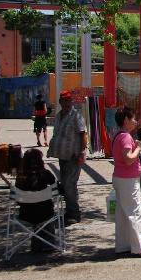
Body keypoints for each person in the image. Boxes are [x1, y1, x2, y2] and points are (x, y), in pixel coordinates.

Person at [111, 108, 141, 258]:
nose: (135, 122)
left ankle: (124, 245)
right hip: (127, 179)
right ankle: (140, 247)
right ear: (126, 120)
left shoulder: (119, 136)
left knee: (123, 214)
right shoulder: (125, 137)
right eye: (133, 119)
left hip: (121, 178)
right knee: (134, 213)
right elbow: (129, 158)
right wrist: (139, 148)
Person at [47, 90, 88, 225]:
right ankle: (70, 210)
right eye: (64, 101)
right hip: (62, 156)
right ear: (60, 102)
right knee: (66, 184)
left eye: (68, 101)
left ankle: (74, 213)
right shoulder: (59, 116)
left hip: (73, 156)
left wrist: (82, 152)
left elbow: (83, 134)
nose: (66, 103)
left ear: (72, 102)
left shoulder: (76, 116)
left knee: (69, 184)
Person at [14, 148, 57, 252]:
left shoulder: (20, 176)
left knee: (36, 213)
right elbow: (57, 189)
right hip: (46, 212)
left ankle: (36, 244)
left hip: (25, 213)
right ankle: (49, 244)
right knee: (45, 215)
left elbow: (17, 198)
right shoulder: (45, 174)